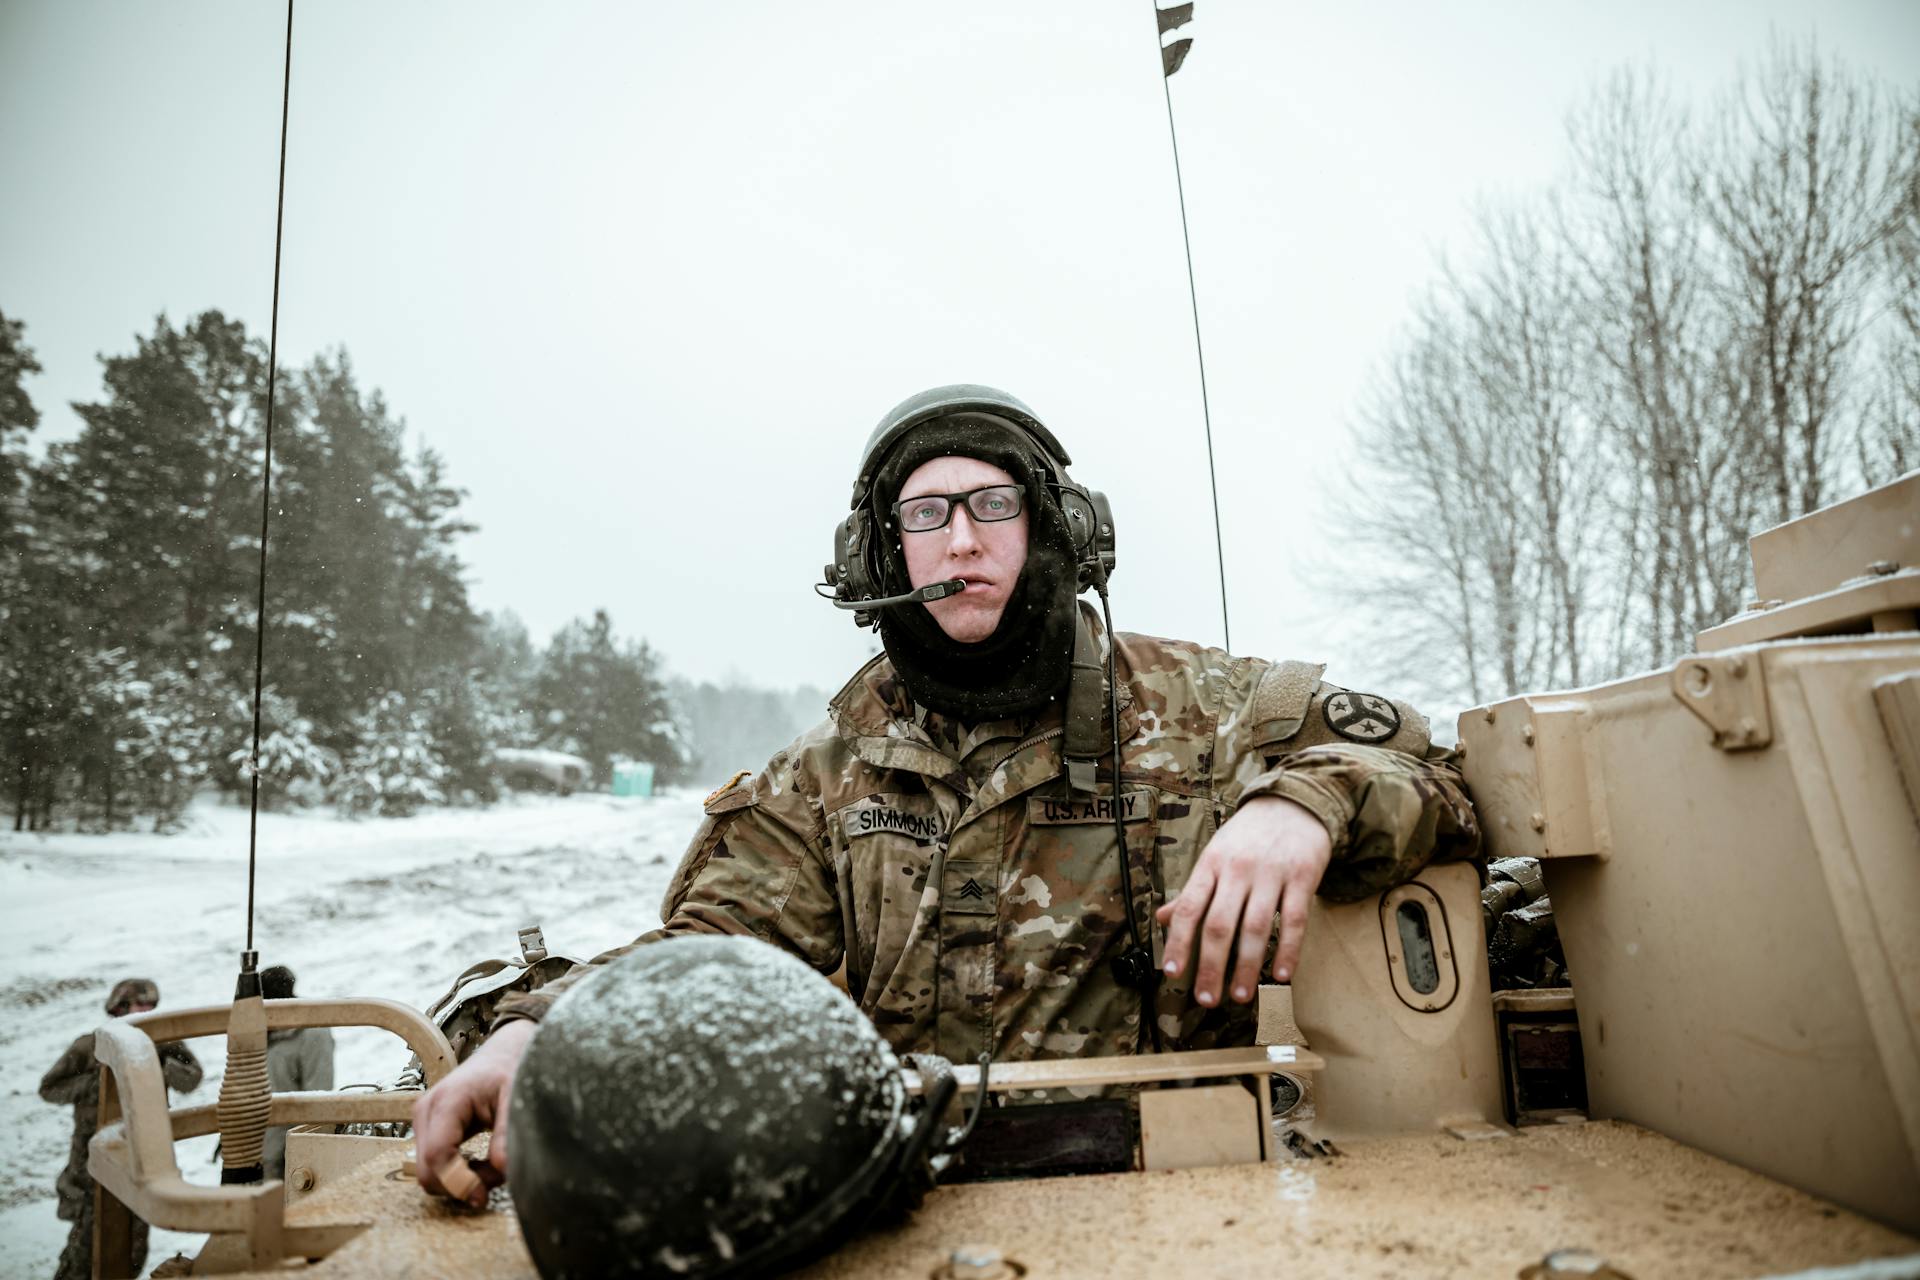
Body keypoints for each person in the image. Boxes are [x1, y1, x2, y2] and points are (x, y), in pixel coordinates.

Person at [415, 384, 1480, 1205]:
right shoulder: (829, 771)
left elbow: (1434, 770)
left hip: (1178, 1197)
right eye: (927, 512)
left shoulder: (1206, 709)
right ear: (883, 549)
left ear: (1053, 527)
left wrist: (1301, 803)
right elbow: (713, 953)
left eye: (991, 503)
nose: (962, 539)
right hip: (904, 1200)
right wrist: (539, 1032)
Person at [40, 977, 203, 1280]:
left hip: (143, 1154)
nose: (145, 1010)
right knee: (86, 1249)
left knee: (132, 1248)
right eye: (139, 1004)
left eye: (150, 1005)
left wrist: (161, 1066)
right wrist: (94, 1085)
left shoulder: (163, 1042)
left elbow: (192, 1079)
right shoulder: (91, 1046)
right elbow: (49, 1088)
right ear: (119, 1006)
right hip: (92, 1157)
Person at [259, 964, 334, 1180]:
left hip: (284, 1157)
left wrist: (300, 1149)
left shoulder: (313, 1033)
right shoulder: (256, 1030)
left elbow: (317, 1094)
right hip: (246, 1151)